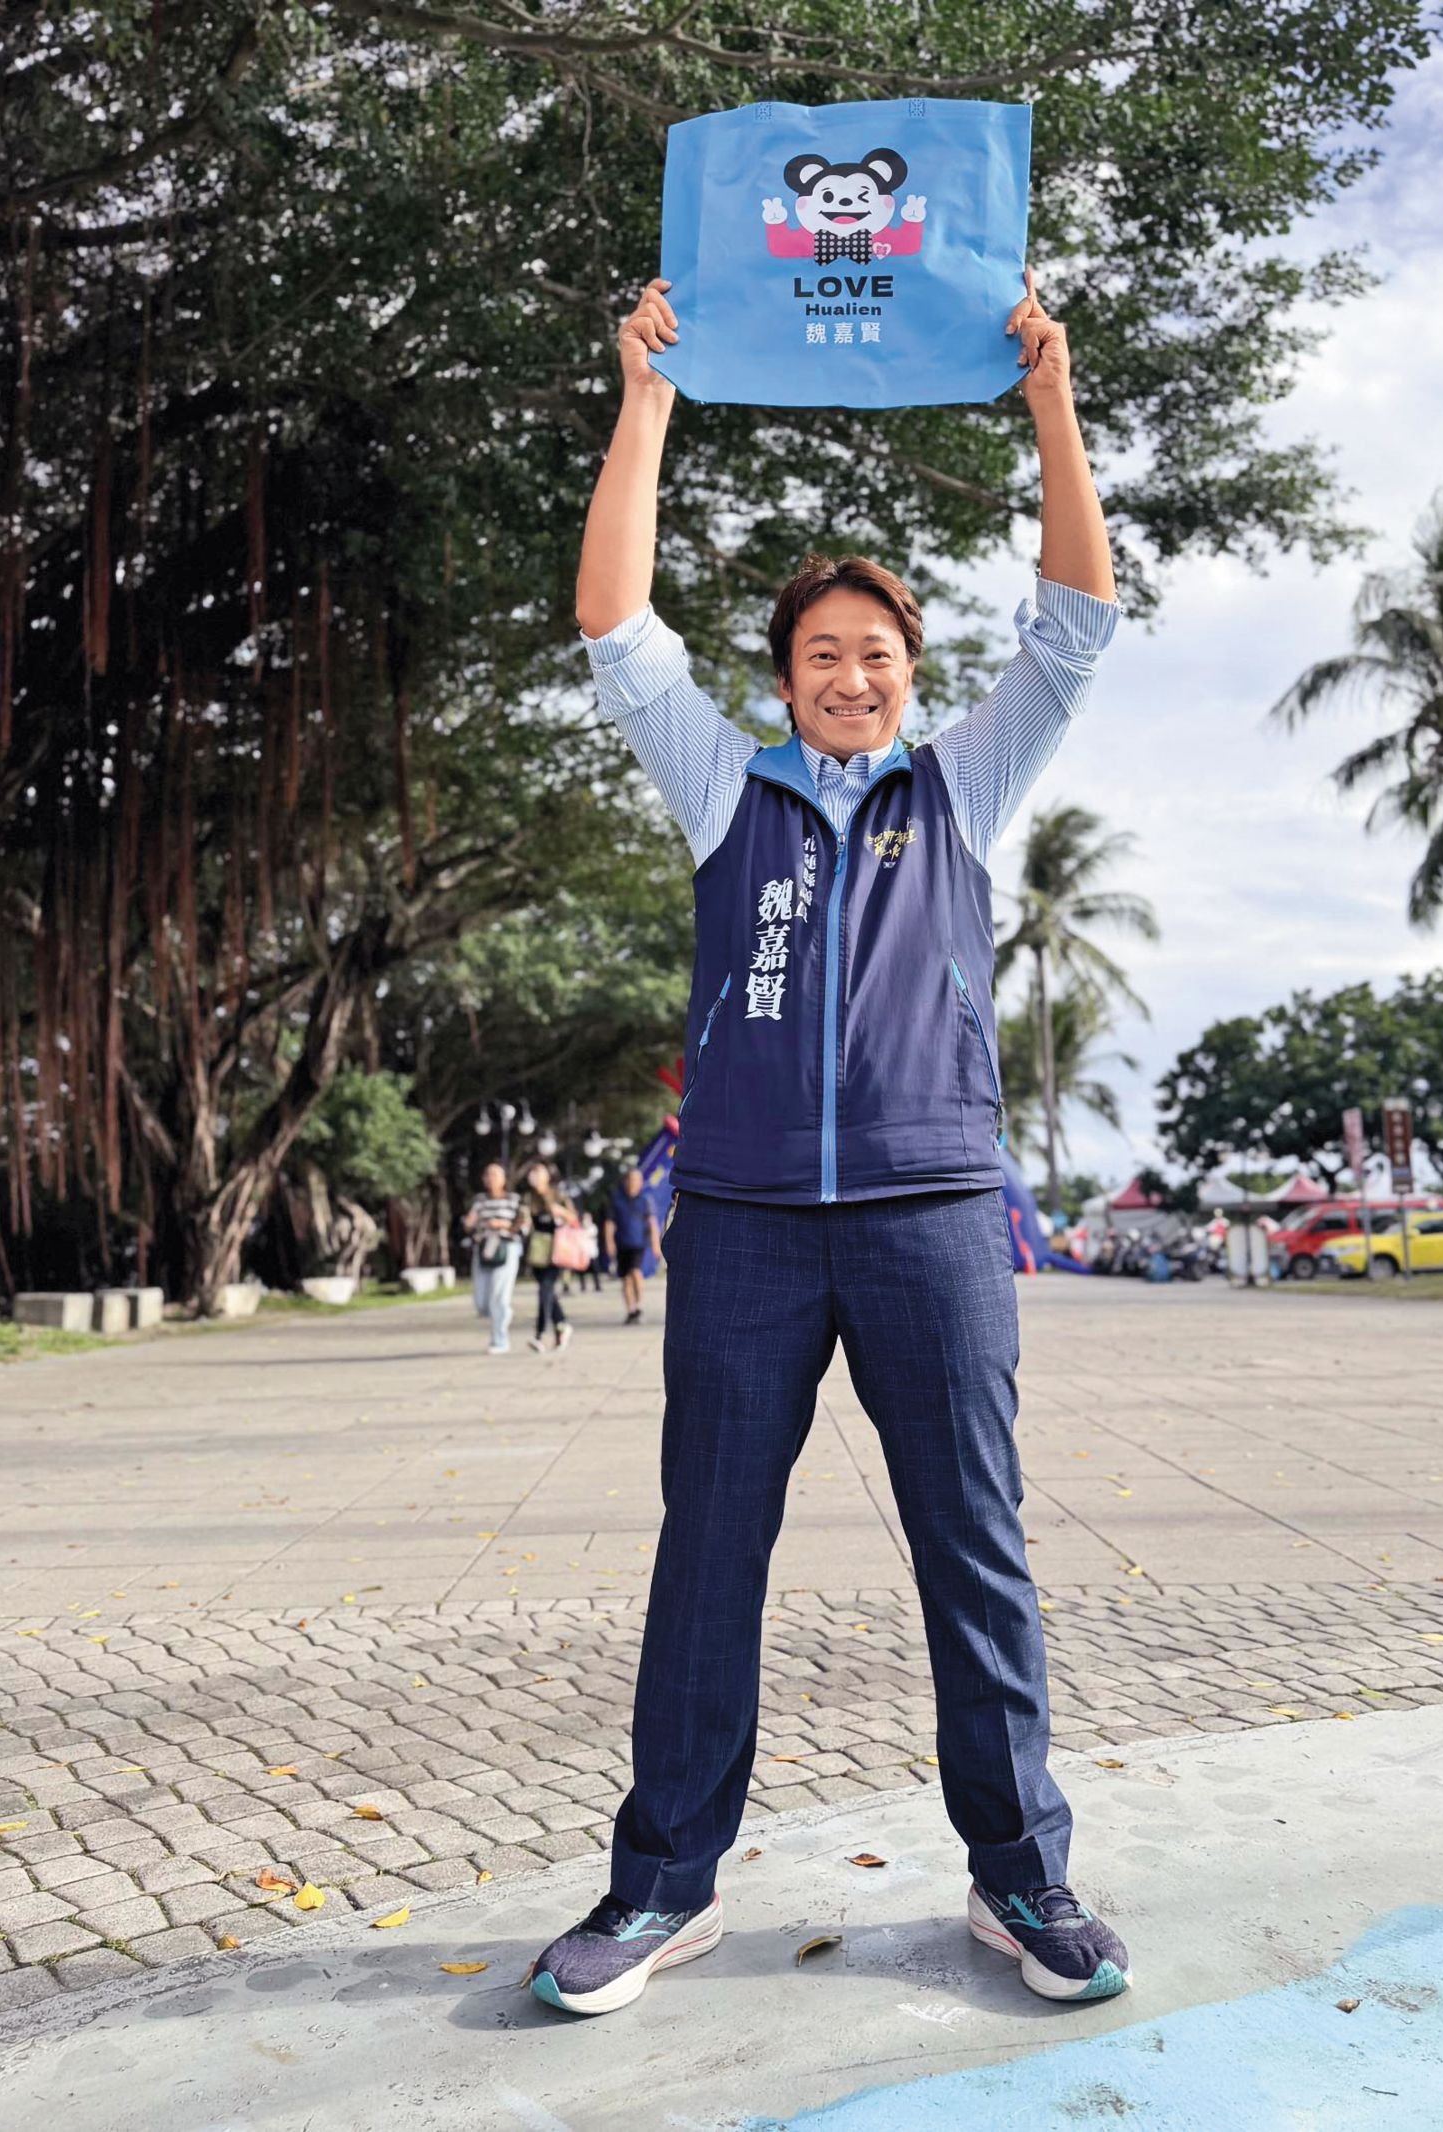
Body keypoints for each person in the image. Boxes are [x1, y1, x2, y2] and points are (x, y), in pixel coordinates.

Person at [530, 268, 1130, 2018]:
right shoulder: (727, 789)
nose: (850, 675)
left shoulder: (966, 783)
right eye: (821, 656)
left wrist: (1050, 401)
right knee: (709, 1545)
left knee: (976, 1543)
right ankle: (660, 1888)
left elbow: (1079, 623)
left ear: (909, 675)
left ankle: (1023, 1879)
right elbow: (612, 628)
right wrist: (645, 399)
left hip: (936, 1209)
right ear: (783, 682)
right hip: (741, 1224)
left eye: (876, 653)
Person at [461, 1162, 527, 1356]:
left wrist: (503, 1224)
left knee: (499, 1296)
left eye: (496, 1175)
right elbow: (469, 1225)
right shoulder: (479, 1201)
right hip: (484, 1249)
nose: (491, 1179)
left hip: (506, 1248)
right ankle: (503, 1313)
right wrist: (469, 1223)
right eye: (488, 1175)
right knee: (482, 1301)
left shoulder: (514, 1200)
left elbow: (523, 1225)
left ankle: (500, 1339)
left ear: (504, 1179)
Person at [525, 1162, 579, 1353]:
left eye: (539, 1172)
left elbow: (573, 1218)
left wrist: (560, 1211)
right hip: (537, 1250)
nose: (535, 1176)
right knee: (546, 1291)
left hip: (557, 1249)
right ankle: (562, 1326)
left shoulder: (558, 1195)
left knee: (545, 1290)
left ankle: (539, 1334)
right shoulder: (529, 1198)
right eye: (533, 1173)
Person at [605, 1168, 662, 1325]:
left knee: (636, 1273)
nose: (633, 1183)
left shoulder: (645, 1200)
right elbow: (610, 1223)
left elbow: (652, 1224)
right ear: (625, 1182)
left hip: (639, 1244)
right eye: (631, 1180)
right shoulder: (617, 1200)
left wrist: (656, 1244)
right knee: (625, 1279)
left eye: (637, 1180)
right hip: (622, 1243)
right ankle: (631, 1310)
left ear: (641, 1183)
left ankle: (638, 1304)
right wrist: (609, 1243)